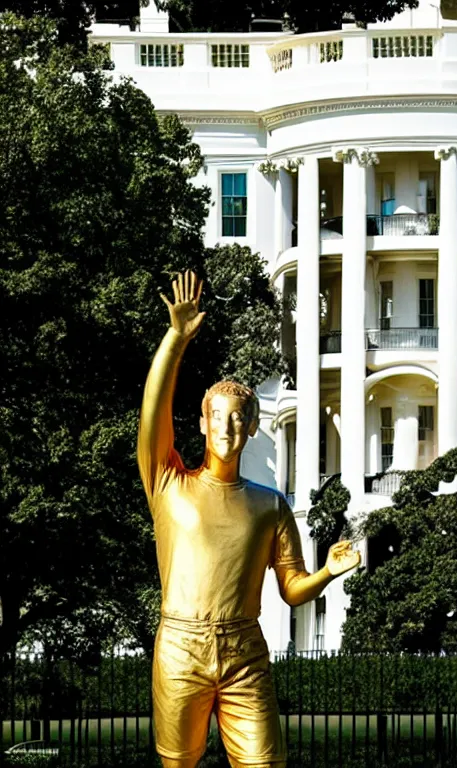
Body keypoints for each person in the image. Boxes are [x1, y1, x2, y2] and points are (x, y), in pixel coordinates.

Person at [137, 270, 361, 768]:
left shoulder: (269, 504)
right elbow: (151, 415)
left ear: (254, 426)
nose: (227, 426)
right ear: (201, 422)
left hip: (245, 651)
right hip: (180, 648)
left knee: (265, 763)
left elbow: (292, 588)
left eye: (239, 416)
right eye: (217, 415)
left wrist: (326, 572)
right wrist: (176, 338)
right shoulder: (170, 484)